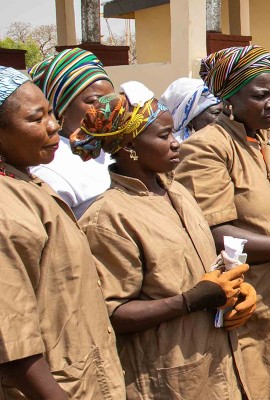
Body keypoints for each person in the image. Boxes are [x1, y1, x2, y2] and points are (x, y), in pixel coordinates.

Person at [72, 83, 259, 399]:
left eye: (174, 134)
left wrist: (234, 292)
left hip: (216, 364)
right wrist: (190, 300)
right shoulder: (108, 217)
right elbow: (111, 314)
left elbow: (200, 269)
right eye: (164, 137)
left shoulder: (178, 193)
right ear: (130, 146)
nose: (177, 144)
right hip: (167, 377)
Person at [175, 45, 270, 400]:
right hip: (251, 308)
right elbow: (214, 232)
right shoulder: (207, 148)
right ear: (229, 97)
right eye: (260, 96)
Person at [0, 66, 124, 399]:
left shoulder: (28, 182)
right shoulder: (5, 208)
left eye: (51, 113)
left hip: (84, 372)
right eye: (35, 119)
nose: (53, 125)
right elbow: (13, 341)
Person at [27, 48, 118, 217]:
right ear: (63, 109)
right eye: (92, 101)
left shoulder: (115, 147)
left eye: (111, 99)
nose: (107, 108)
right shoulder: (51, 170)